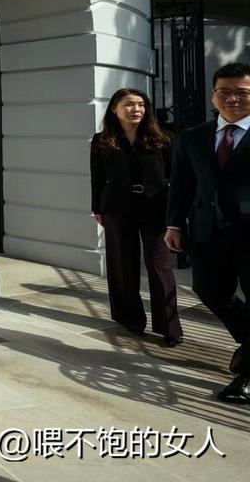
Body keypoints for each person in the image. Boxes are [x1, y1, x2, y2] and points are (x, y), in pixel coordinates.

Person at [166, 62, 250, 405]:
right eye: (224, 92)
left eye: (242, 93)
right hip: (207, 231)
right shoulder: (192, 137)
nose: (233, 99)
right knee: (208, 290)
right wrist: (173, 223)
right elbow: (181, 185)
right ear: (214, 95)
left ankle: (247, 376)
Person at [89, 88, 182, 346]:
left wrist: (176, 214)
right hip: (116, 209)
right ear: (115, 109)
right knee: (122, 264)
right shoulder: (101, 141)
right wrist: (97, 208)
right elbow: (97, 178)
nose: (136, 109)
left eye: (141, 104)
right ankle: (130, 319)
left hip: (155, 209)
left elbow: (177, 179)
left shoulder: (164, 139)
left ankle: (170, 328)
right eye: (129, 104)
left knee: (159, 266)